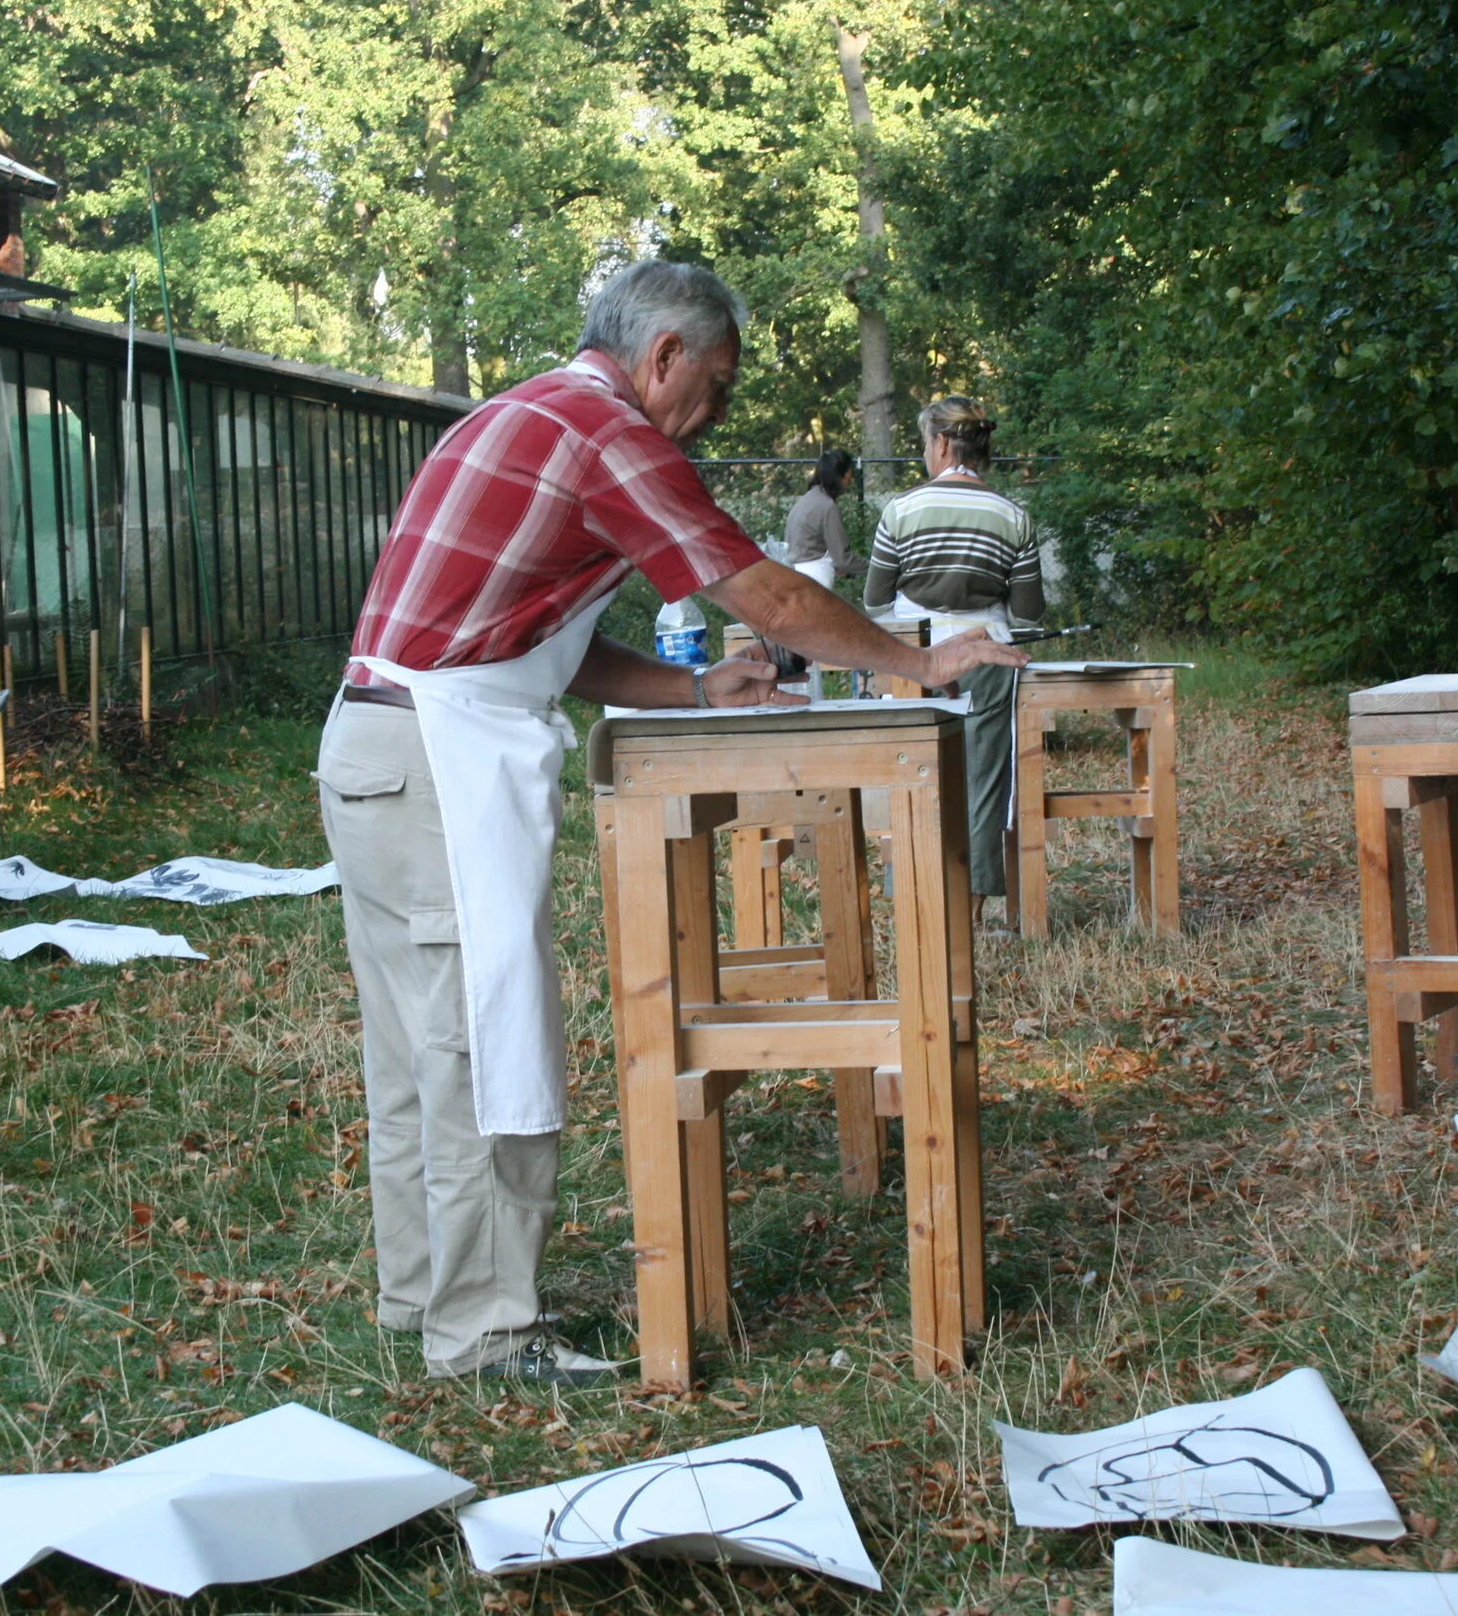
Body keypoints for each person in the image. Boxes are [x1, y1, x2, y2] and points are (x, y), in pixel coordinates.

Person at [317, 260, 1027, 1383]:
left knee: (414, 1055)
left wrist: (693, 690)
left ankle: (424, 1295)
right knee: (477, 1044)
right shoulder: (605, 431)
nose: (721, 412)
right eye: (721, 381)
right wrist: (913, 661)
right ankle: (484, 1331)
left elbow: (537, 643)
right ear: (664, 357)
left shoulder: (527, 410)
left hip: (377, 748)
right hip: (434, 763)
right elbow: (769, 593)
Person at [863, 396, 1043, 926]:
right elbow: (1030, 614)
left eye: (924, 442)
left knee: (912, 776)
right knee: (984, 783)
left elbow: (875, 603)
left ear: (941, 443)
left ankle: (914, 903)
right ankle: (970, 911)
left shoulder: (901, 510)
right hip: (988, 656)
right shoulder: (1014, 516)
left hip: (913, 656)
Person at [783, 450, 865, 588]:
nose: (850, 480)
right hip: (816, 578)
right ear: (839, 475)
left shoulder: (804, 501)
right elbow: (842, 559)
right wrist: (877, 568)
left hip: (794, 574)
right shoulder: (827, 506)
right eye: (848, 475)